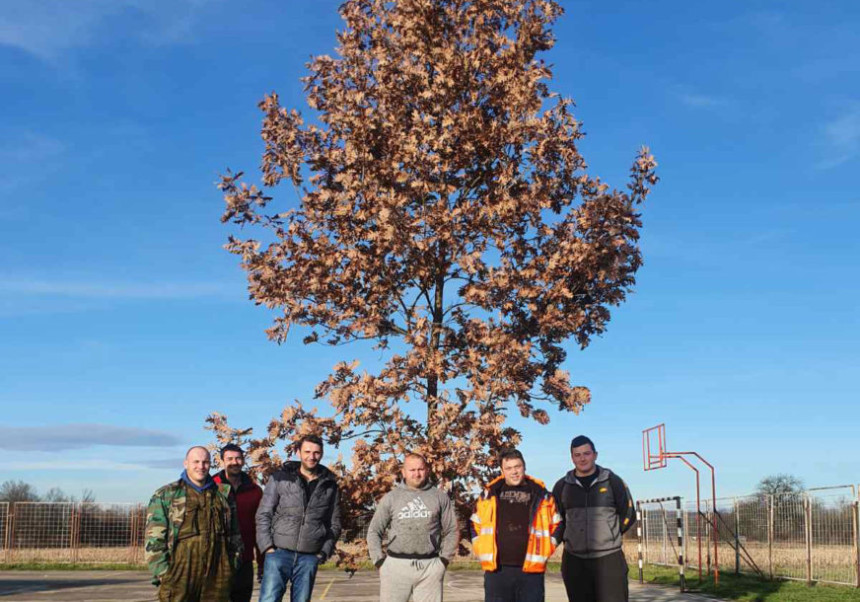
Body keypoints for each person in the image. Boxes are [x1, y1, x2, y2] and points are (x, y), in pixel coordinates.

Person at [144, 446, 243, 602]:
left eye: (205, 462)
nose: (201, 466)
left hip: (217, 575)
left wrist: (230, 567)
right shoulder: (167, 494)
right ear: (186, 463)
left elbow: (235, 536)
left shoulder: (223, 494)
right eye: (196, 462)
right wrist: (164, 573)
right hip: (179, 575)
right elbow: (154, 539)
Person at [256, 435, 341, 602]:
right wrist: (267, 548)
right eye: (307, 451)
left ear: (322, 454)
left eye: (316, 452)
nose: (312, 456)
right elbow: (264, 513)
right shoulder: (280, 478)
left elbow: (335, 522)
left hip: (309, 557)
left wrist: (323, 552)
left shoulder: (330, 484)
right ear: (298, 452)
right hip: (278, 553)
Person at [552, 435, 636, 602]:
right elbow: (557, 520)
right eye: (577, 455)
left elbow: (628, 514)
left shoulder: (612, 481)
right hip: (574, 561)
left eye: (587, 453)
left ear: (595, 455)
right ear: (572, 458)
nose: (582, 458)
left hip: (609, 559)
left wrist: (609, 534)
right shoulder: (562, 486)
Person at [471, 449, 562, 602]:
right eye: (509, 468)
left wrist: (548, 547)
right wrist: (480, 548)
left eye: (517, 467)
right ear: (502, 471)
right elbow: (475, 524)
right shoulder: (489, 494)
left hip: (531, 572)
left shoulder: (542, 495)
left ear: (524, 467)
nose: (514, 472)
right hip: (497, 571)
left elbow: (558, 524)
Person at [367, 453, 459, 602]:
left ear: (427, 470)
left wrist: (443, 561)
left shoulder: (439, 497)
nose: (417, 474)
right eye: (412, 470)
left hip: (430, 568)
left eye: (421, 469)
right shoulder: (391, 498)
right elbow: (374, 531)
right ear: (403, 472)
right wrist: (379, 562)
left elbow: (452, 531)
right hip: (395, 567)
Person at [213, 443, 264, 602]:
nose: (234, 462)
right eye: (229, 459)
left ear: (243, 461)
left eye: (238, 458)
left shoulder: (255, 491)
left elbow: (260, 528)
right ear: (221, 461)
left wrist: (262, 562)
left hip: (244, 560)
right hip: (216, 560)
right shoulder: (211, 486)